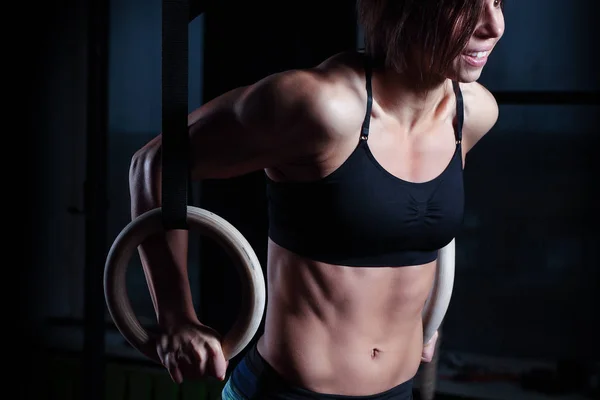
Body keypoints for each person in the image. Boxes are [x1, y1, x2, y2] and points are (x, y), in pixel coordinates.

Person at [129, 0, 505, 398]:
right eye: (465, 7)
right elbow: (154, 162)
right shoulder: (321, 108)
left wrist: (422, 321)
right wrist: (175, 318)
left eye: (497, 2)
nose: (493, 26)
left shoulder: (475, 113)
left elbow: (417, 225)